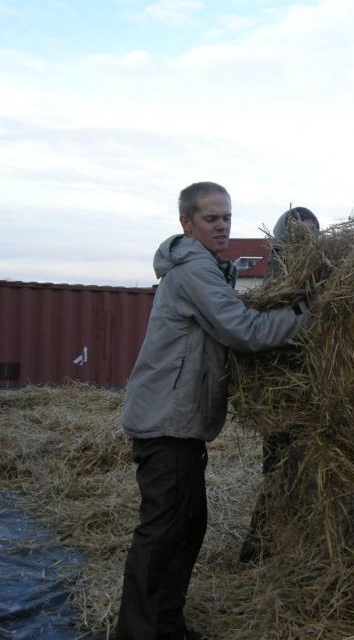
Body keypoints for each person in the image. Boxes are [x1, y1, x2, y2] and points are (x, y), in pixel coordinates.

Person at [115, 182, 310, 640]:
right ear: (187, 222)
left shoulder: (208, 270)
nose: (222, 225)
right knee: (163, 534)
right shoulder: (194, 273)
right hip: (166, 422)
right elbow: (244, 330)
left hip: (179, 422)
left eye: (226, 217)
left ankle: (166, 626)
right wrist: (309, 313)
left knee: (187, 528)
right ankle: (139, 633)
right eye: (211, 218)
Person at [239, 206, 320, 564]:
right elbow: (267, 333)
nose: (307, 238)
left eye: (312, 232)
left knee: (310, 475)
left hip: (312, 394)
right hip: (282, 399)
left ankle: (303, 548)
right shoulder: (280, 282)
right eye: (300, 232)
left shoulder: (316, 274)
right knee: (280, 474)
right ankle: (259, 552)